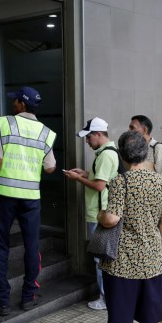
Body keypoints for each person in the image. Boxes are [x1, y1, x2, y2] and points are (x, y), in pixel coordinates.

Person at [94, 131, 162, 323]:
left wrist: (100, 215)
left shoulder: (121, 181)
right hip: (151, 255)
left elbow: (112, 219)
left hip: (124, 258)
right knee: (151, 301)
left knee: (122, 303)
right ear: (145, 153)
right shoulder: (160, 181)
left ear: (122, 155)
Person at [0, 86, 56, 315]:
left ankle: (2, 301)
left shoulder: (5, 124)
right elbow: (51, 167)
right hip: (31, 199)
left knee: (1, 246)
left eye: (15, 101)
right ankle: (28, 297)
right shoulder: (45, 132)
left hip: (5, 196)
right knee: (32, 246)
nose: (13, 103)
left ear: (22, 105)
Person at [64, 117, 119, 311]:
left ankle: (105, 299)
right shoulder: (110, 152)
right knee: (106, 258)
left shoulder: (105, 155)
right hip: (105, 213)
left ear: (98, 134)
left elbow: (99, 185)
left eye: (88, 137)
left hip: (100, 214)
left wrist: (77, 178)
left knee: (100, 259)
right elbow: (103, 178)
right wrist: (86, 173)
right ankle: (110, 298)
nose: (87, 141)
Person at [128, 115, 162, 183]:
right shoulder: (133, 149)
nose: (129, 131)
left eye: (132, 128)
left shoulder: (158, 148)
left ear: (145, 130)